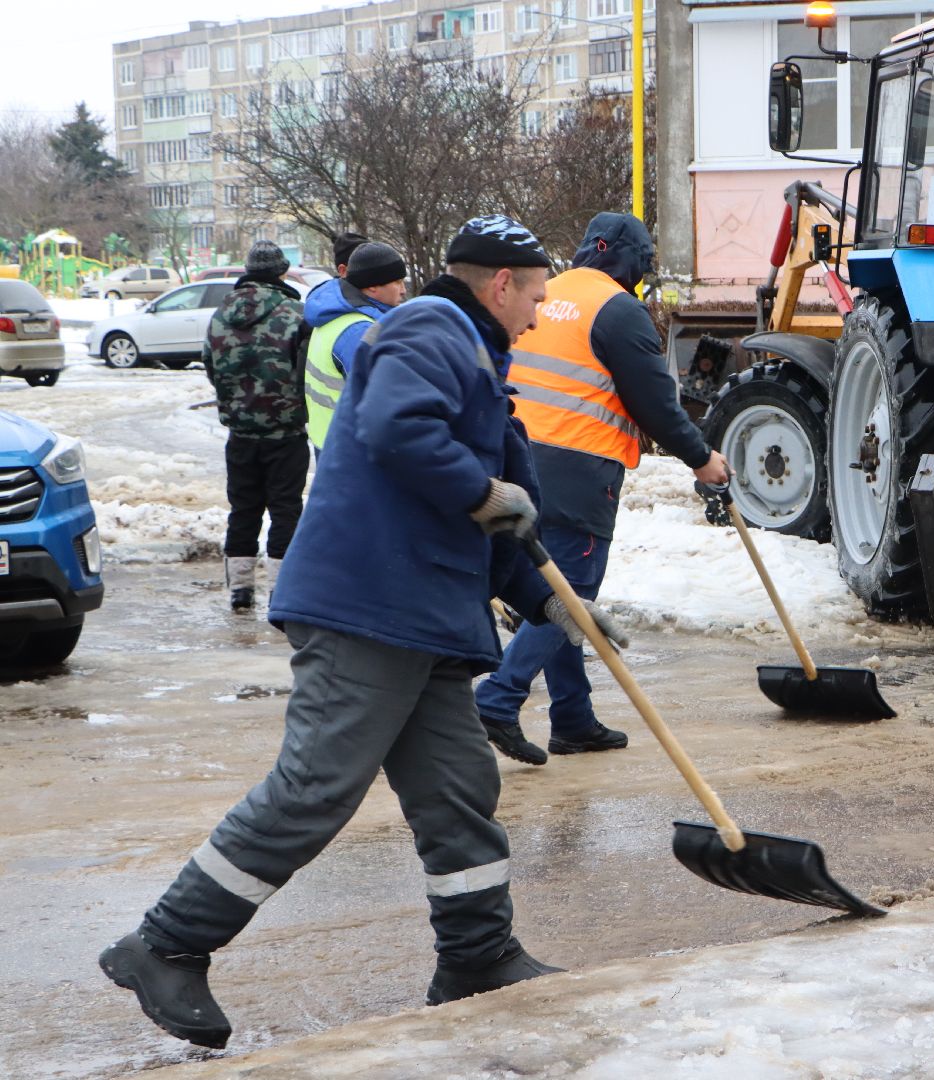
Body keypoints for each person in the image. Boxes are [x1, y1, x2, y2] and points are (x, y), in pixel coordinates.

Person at [98, 215, 631, 1048]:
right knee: (316, 787)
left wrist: (548, 602)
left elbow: (495, 526)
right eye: (533, 296)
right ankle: (165, 943)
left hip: (427, 615)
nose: (536, 314)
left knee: (458, 791)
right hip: (369, 605)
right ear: (501, 286)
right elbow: (399, 433)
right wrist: (482, 492)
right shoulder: (429, 328)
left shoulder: (482, 361)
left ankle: (476, 956)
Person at [476, 212, 729, 766]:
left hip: (517, 457)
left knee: (555, 588)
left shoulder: (545, 291)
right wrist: (701, 458)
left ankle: (571, 717)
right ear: (632, 263)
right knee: (573, 591)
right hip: (577, 468)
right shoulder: (619, 310)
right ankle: (498, 697)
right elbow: (656, 403)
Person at [205, 240, 308, 611]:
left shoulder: (220, 313)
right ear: (281, 272)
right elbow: (306, 368)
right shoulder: (295, 313)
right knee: (285, 510)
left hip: (240, 433)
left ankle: (241, 591)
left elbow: (210, 366)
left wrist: (237, 402)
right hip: (287, 431)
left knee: (243, 509)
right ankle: (282, 591)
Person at [302, 241, 409, 455]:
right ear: (372, 286)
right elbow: (381, 408)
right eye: (397, 282)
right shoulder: (359, 331)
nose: (404, 290)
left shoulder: (334, 315)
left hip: (330, 443)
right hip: (351, 452)